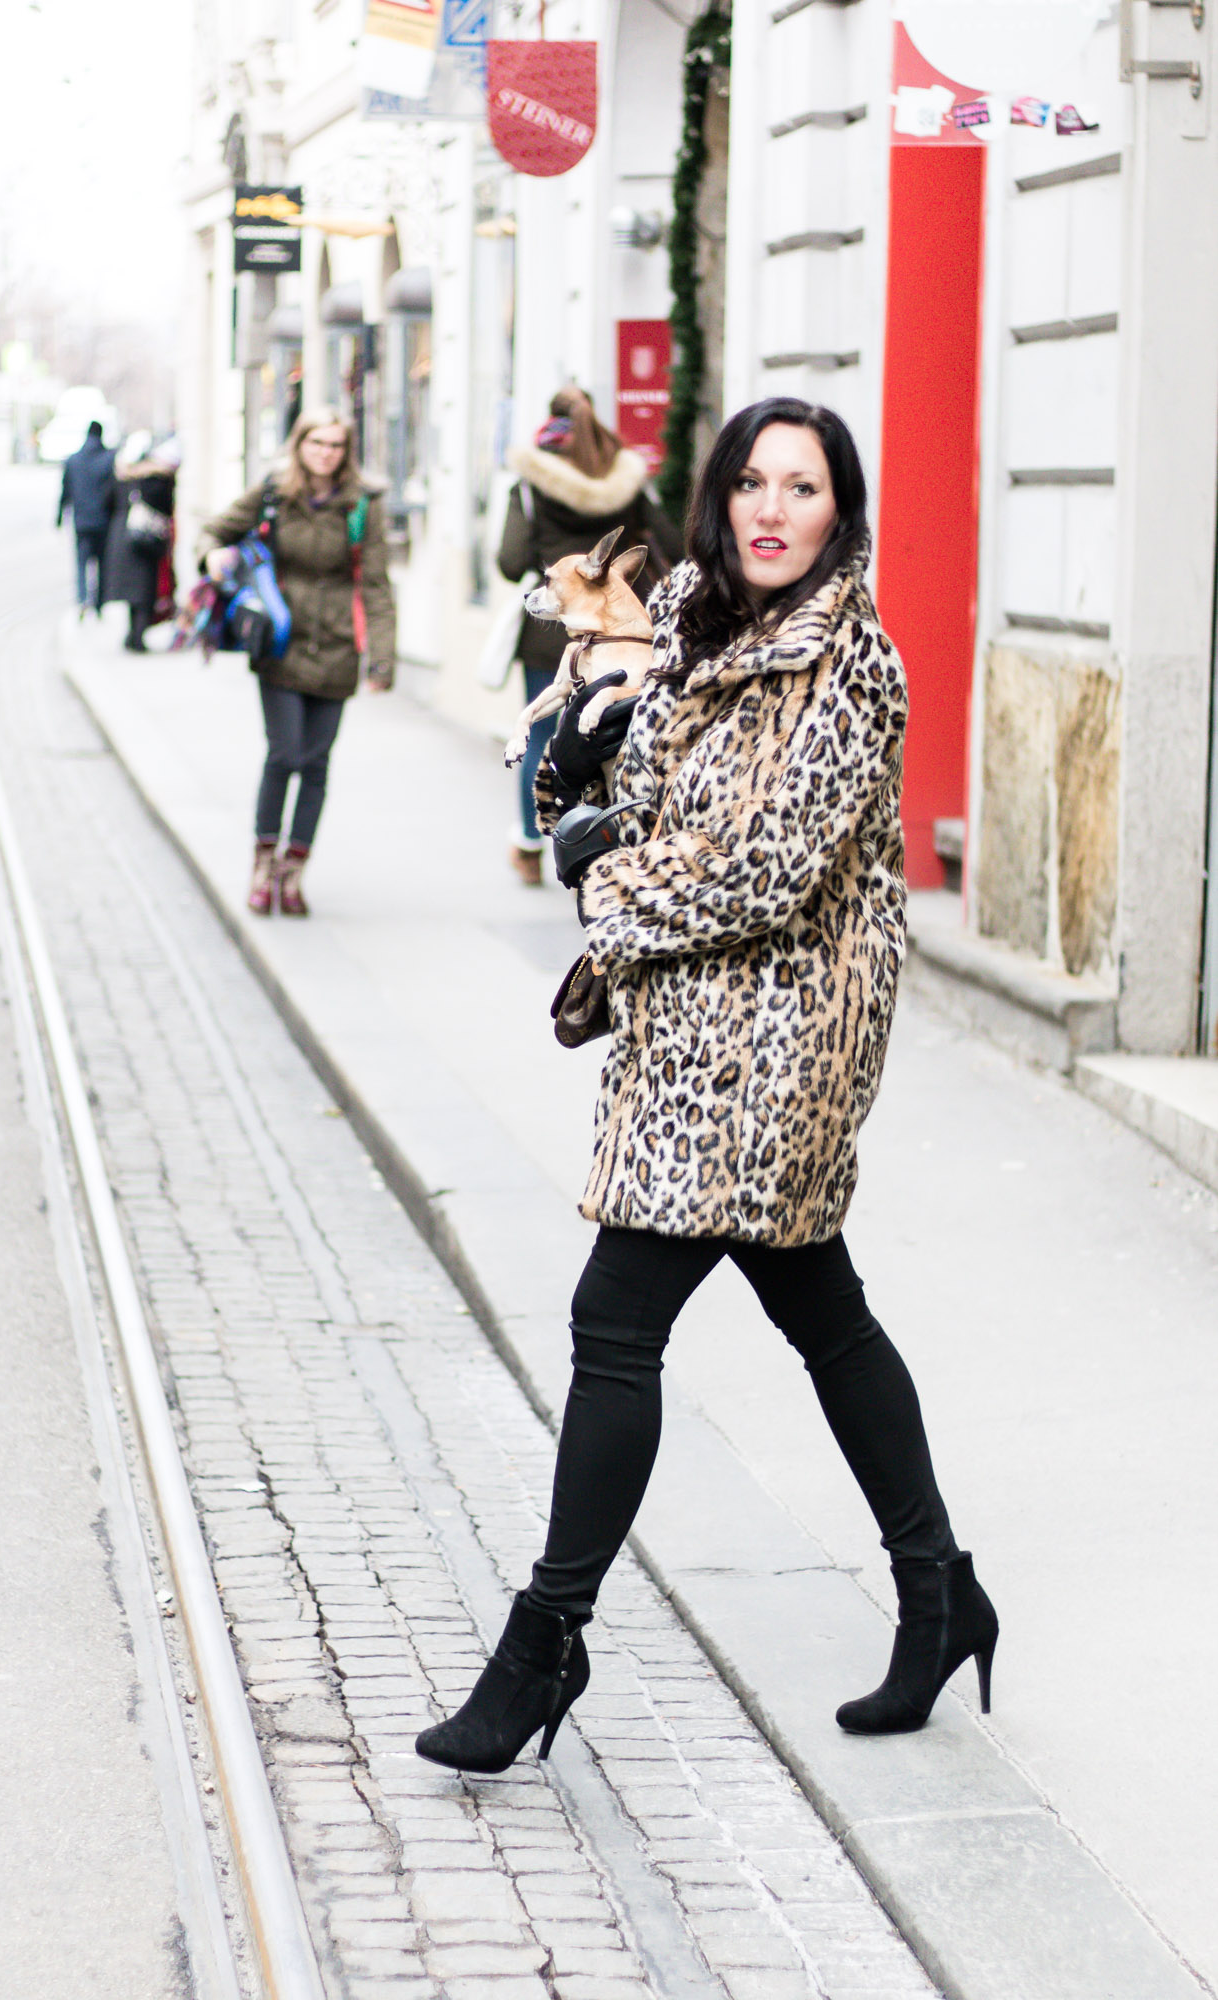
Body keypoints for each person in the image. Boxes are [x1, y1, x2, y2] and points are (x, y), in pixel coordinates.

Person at [417, 397, 998, 1776]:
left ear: (838, 510)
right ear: (720, 497)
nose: (771, 508)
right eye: (752, 480)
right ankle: (939, 1596)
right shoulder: (692, 623)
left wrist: (604, 879)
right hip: (696, 1036)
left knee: (615, 1320)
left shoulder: (848, 666)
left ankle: (543, 1646)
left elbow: (768, 867)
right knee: (826, 1317)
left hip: (782, 1044)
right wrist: (593, 775)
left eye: (802, 486)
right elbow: (677, 800)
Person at [197, 406, 395, 917]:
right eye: (317, 444)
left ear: (345, 451)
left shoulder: (362, 504)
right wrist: (212, 556)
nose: (326, 454)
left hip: (335, 648)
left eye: (335, 446)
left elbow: (375, 584)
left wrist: (382, 658)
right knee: (284, 754)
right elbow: (214, 531)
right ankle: (262, 864)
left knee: (315, 763)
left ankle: (293, 872)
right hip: (280, 641)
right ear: (299, 444)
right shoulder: (273, 491)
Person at [496, 386, 682, 886]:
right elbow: (672, 544)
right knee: (627, 734)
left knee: (545, 736)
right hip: (629, 630)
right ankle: (614, 834)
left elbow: (509, 562)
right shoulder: (628, 483)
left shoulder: (532, 486)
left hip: (556, 633)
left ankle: (538, 842)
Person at [106, 433, 181, 652]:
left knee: (134, 592)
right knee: (145, 590)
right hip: (147, 538)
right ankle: (137, 637)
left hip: (124, 535)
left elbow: (108, 501)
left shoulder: (122, 475)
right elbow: (165, 507)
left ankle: (133, 635)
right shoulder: (158, 477)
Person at [56, 419, 117, 617]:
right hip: (104, 521)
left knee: (81, 562)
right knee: (102, 563)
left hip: (81, 521)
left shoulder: (73, 460)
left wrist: (58, 516)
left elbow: (65, 492)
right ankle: (99, 602)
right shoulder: (109, 459)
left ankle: (82, 599)